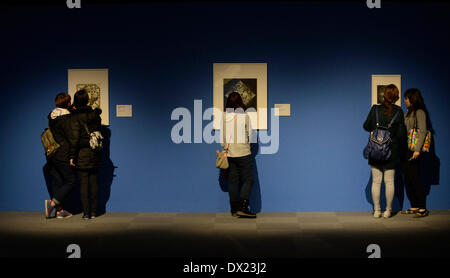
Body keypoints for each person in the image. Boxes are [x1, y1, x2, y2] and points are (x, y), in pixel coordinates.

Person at [363, 84, 406, 218]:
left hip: (375, 149)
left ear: (384, 95)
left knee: (376, 181)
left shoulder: (375, 109)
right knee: (389, 181)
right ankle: (388, 211)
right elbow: (401, 135)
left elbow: (366, 126)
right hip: (391, 150)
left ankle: (376, 211)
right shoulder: (399, 111)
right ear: (396, 96)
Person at [217, 92, 256, 218]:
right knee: (248, 180)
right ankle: (243, 208)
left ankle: (234, 209)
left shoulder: (223, 116)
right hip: (244, 153)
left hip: (230, 154)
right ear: (240, 102)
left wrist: (226, 149)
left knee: (233, 181)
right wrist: (246, 147)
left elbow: (222, 138)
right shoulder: (244, 116)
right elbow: (251, 136)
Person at [68, 89, 102, 220]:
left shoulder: (75, 117)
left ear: (76, 101)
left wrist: (71, 156)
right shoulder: (95, 115)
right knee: (94, 183)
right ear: (87, 100)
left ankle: (86, 213)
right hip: (95, 152)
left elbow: (74, 139)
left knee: (83, 184)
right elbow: (98, 133)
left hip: (81, 153)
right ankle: (94, 212)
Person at [44, 93, 77, 219]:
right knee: (70, 180)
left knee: (57, 182)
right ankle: (52, 204)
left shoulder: (51, 116)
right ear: (68, 103)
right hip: (62, 153)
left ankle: (59, 211)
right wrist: (72, 156)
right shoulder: (67, 119)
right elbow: (70, 137)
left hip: (51, 153)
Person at [401, 88, 430, 217]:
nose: (405, 100)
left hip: (414, 149)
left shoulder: (419, 112)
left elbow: (423, 131)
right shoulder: (408, 112)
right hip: (406, 149)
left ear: (412, 99)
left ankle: (422, 208)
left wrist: (417, 150)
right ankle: (414, 206)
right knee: (407, 178)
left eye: (406, 98)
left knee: (415, 178)